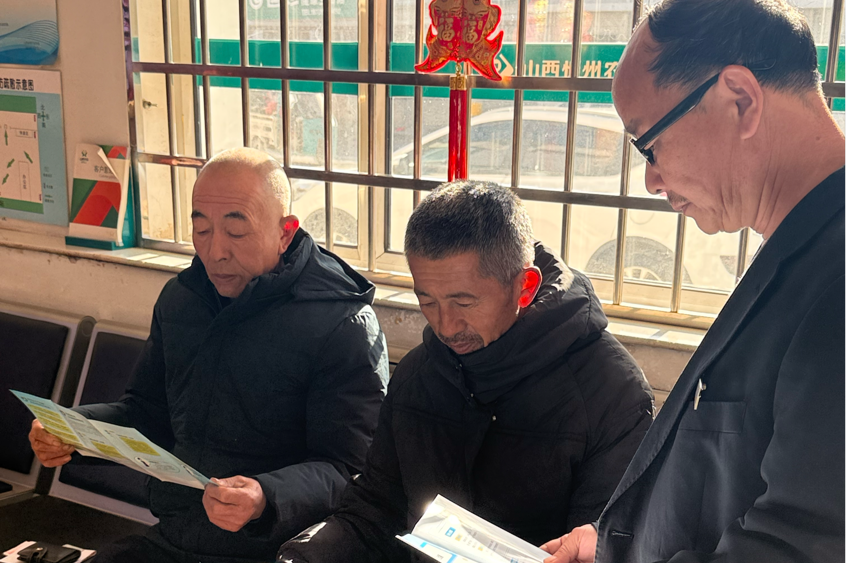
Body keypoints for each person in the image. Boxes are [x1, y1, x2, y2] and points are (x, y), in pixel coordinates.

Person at [542, 1, 846, 561]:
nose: (652, 180)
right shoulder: (803, 242)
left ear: (740, 99)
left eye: (648, 144)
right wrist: (615, 547)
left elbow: (796, 546)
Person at [28, 148, 390, 563]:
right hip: (175, 537)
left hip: (278, 550)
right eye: (201, 230)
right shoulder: (182, 299)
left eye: (236, 232)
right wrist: (74, 430)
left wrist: (265, 496)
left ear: (285, 233)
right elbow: (148, 413)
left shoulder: (342, 323)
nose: (215, 251)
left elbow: (350, 471)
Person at [277, 181, 654, 562]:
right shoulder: (419, 372)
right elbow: (375, 509)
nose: (445, 326)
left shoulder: (613, 395)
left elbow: (600, 547)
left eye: (464, 303)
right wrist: (304, 556)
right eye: (427, 301)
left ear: (524, 287)